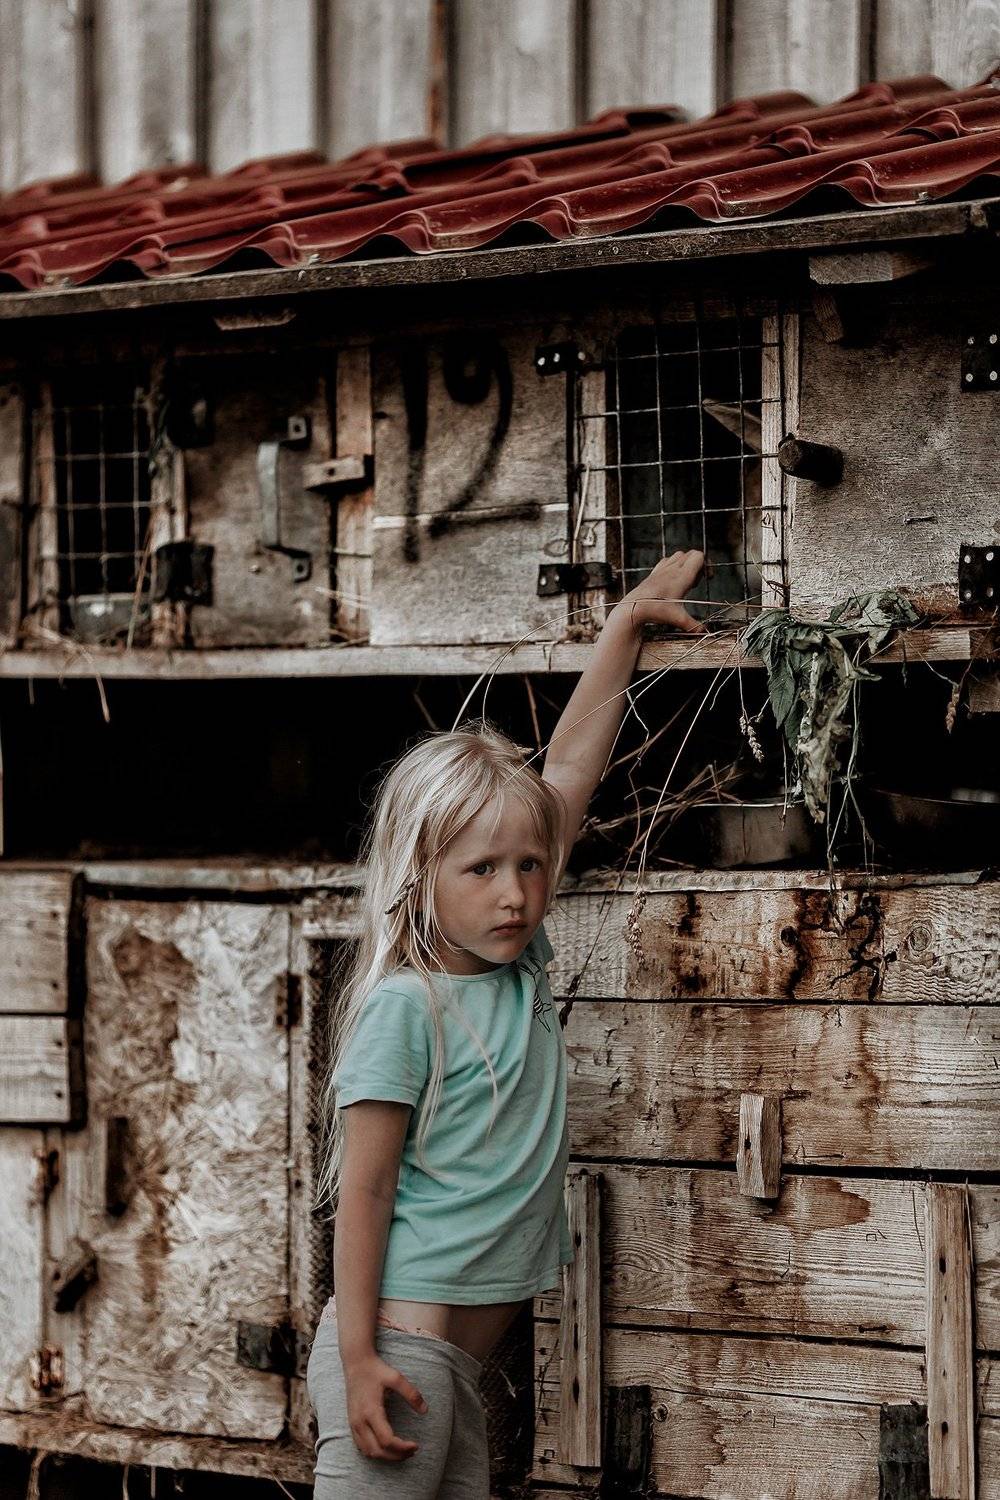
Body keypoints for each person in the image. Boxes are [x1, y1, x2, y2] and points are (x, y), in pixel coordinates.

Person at [306, 550, 706, 1496]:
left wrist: (622, 630)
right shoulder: (407, 1007)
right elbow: (363, 1190)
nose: (517, 893)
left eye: (530, 865)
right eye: (482, 870)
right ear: (421, 878)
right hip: (398, 1352)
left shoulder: (514, 961)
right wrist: (358, 1360)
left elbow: (565, 766)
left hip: (451, 1365)